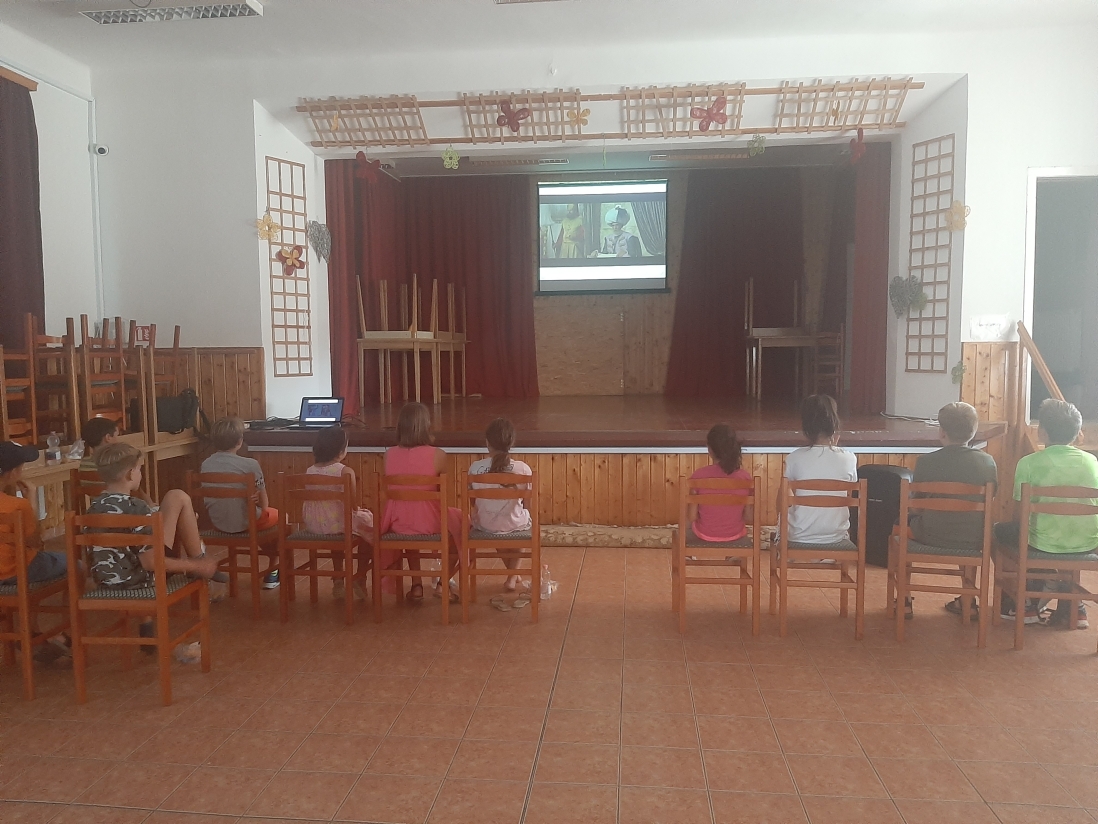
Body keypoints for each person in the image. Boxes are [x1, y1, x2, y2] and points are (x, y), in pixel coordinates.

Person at [88, 443, 224, 647]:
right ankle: (199, 562)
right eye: (139, 469)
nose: (140, 474)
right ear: (130, 474)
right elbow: (151, 562)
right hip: (137, 582)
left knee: (172, 508)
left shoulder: (92, 507)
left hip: (105, 581)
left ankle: (146, 622)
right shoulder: (136, 507)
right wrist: (194, 566)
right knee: (177, 497)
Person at [996, 399, 1098, 629]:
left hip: (1041, 544)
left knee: (998, 533)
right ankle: (1074, 606)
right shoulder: (1092, 462)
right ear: (1077, 432)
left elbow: (1019, 515)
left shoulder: (1029, 463)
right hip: (1088, 543)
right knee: (1067, 533)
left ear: (1042, 431)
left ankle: (1024, 602)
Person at [908, 402, 998, 619]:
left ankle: (903, 599)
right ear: (973, 432)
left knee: (899, 526)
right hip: (973, 537)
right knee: (968, 525)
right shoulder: (987, 462)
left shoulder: (925, 462)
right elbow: (990, 498)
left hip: (930, 534)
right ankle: (968, 600)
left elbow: (917, 505)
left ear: (942, 432)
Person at [381, 403, 464, 601]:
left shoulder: (388, 454)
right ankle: (443, 582)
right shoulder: (439, 455)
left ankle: (416, 585)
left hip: (398, 521)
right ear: (426, 425)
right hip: (430, 521)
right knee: (464, 525)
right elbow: (443, 492)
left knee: (410, 523)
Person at [0, 441, 71, 664]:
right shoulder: (17, 505)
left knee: (35, 566)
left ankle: (32, 631)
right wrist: (30, 500)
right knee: (76, 565)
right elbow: (35, 542)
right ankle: (66, 632)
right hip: (14, 571)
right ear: (13, 473)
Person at [200, 417, 279, 589]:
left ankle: (272, 565)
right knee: (281, 518)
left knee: (260, 519)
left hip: (218, 524)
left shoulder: (206, 465)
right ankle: (273, 570)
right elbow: (264, 504)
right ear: (240, 441)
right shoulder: (250, 464)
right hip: (247, 523)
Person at [303, 426, 373, 600]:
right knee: (369, 528)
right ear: (341, 450)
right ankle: (360, 576)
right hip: (336, 524)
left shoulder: (309, 471)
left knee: (336, 525)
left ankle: (338, 577)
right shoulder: (345, 471)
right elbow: (352, 505)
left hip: (314, 524)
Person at [783, 395, 858, 545]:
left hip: (800, 535)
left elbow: (782, 502)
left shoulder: (794, 458)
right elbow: (850, 490)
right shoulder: (849, 458)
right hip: (836, 536)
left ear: (806, 426)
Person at [468, 417, 533, 592]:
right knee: (521, 520)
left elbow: (474, 502)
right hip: (513, 523)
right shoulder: (523, 469)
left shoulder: (475, 468)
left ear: (487, 443)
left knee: (492, 521)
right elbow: (527, 505)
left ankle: (513, 574)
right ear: (511, 442)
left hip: (485, 525)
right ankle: (512, 576)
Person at [687, 424, 752, 543]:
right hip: (735, 536)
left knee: (685, 529)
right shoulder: (746, 478)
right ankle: (734, 552)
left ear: (710, 449)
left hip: (703, 535)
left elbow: (691, 516)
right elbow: (748, 517)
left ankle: (689, 553)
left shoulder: (698, 476)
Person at [79, 417, 155, 506]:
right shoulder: (114, 463)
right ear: (108, 438)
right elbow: (135, 491)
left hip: (99, 509)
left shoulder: (83, 464)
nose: (118, 439)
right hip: (125, 509)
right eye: (117, 435)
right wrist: (150, 504)